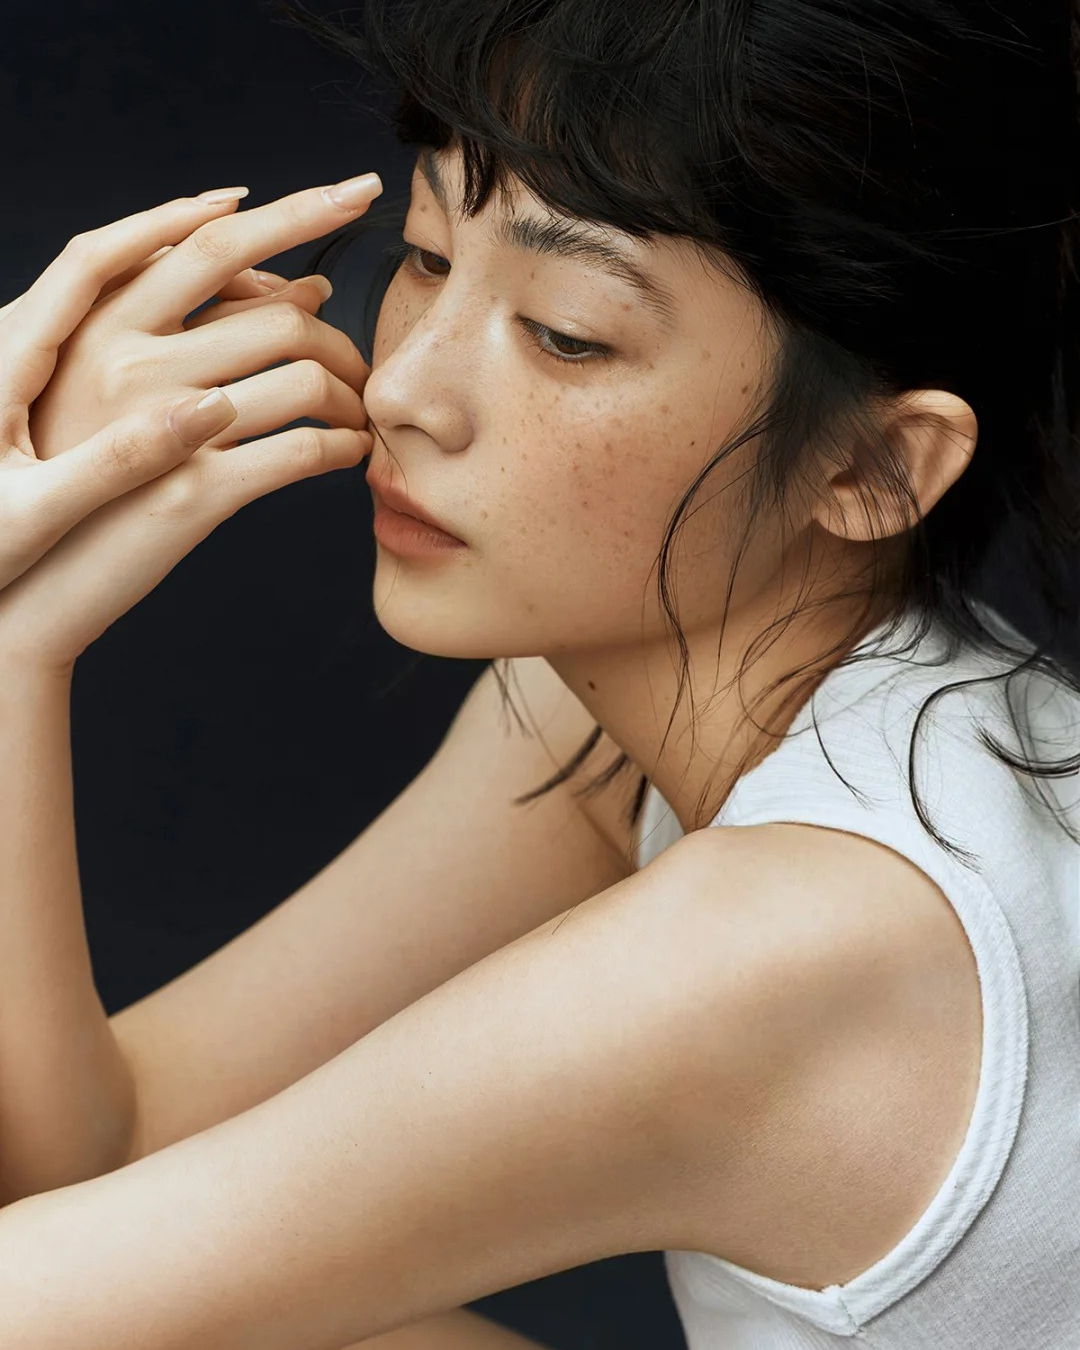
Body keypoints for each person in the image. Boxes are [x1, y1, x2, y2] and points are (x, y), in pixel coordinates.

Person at [0, 0, 1077, 1346]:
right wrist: (14, 650)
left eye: (567, 332)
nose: (405, 387)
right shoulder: (623, 717)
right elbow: (103, 1153)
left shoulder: (792, 935)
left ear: (869, 467)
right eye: (427, 255)